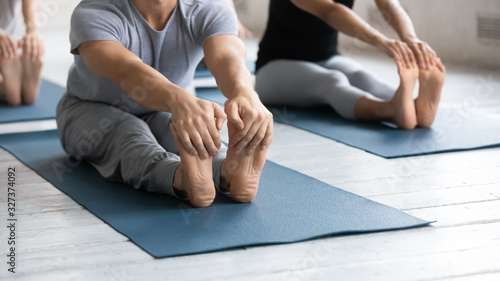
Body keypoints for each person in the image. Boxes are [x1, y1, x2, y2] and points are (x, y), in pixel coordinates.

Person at [56, 0, 273, 208]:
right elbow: (126, 70)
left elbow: (227, 56)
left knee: (191, 135)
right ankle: (182, 178)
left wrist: (244, 93)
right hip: (87, 109)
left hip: (160, 109)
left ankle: (227, 172)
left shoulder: (209, 7)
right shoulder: (95, 11)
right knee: (129, 133)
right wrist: (179, 99)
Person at [255, 0, 446, 129]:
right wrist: (381, 41)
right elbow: (330, 11)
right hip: (273, 69)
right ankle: (389, 111)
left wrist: (410, 38)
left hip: (328, 58)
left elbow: (390, 5)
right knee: (331, 81)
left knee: (362, 77)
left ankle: (414, 107)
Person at [0, 0, 44, 106]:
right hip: (11, 43)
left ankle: (6, 87)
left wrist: (32, 31)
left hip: (7, 43)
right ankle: (15, 84)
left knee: (8, 60)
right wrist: (32, 30)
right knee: (10, 60)